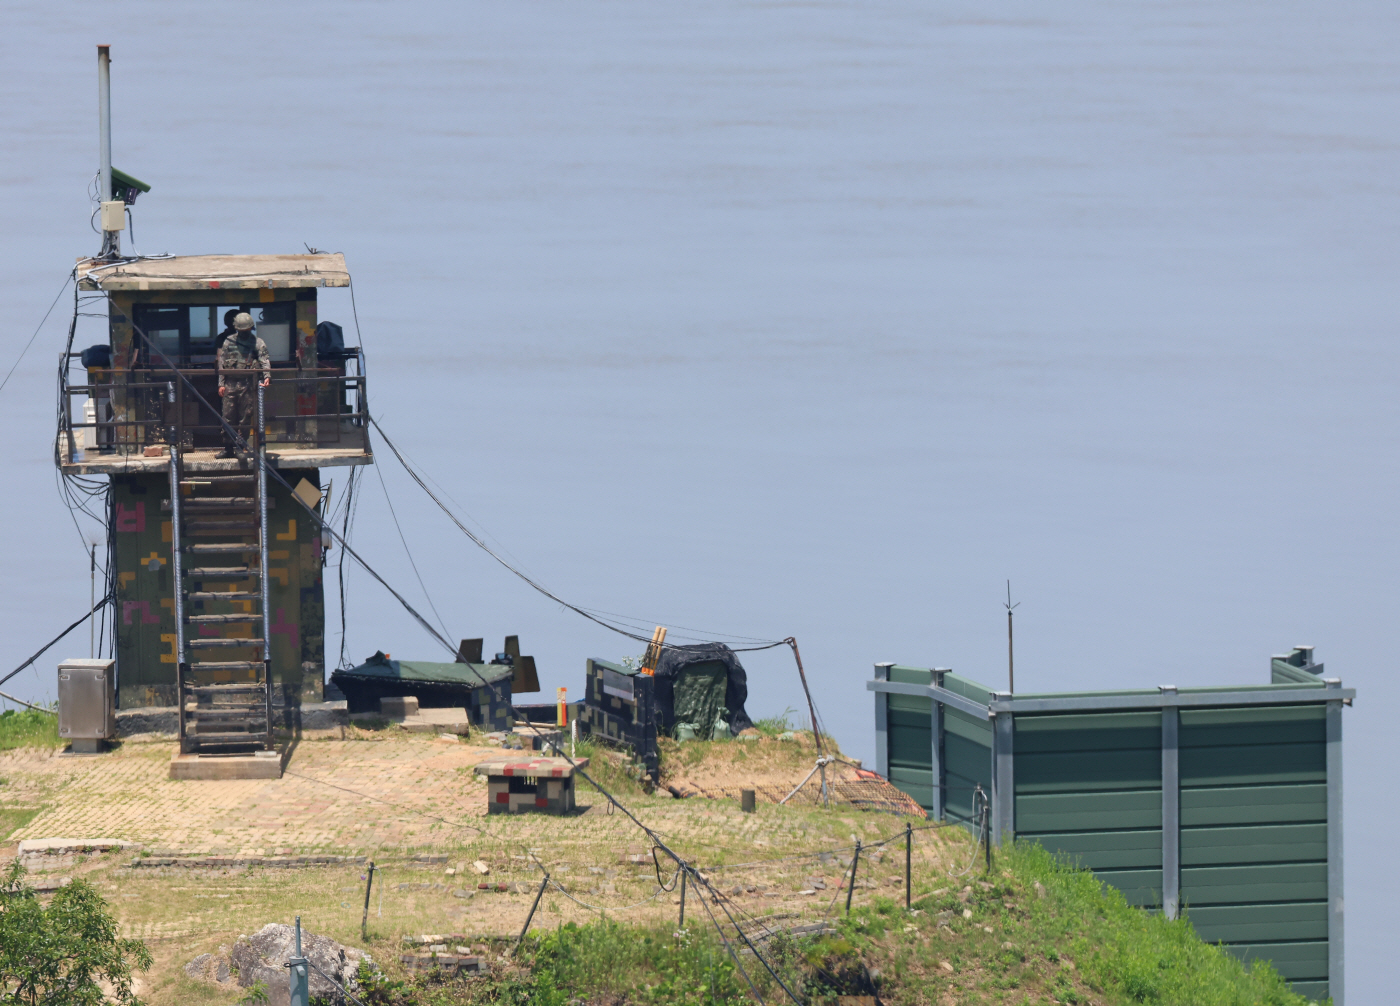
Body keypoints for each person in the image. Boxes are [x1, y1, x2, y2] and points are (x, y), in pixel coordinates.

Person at [216, 312, 271, 458]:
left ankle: (240, 448)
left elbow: (264, 359)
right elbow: (222, 363)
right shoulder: (228, 341)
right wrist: (221, 384)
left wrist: (267, 376)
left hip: (247, 384)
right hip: (230, 384)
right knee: (228, 417)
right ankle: (228, 448)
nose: (244, 333)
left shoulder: (257, 342)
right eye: (242, 331)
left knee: (245, 418)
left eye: (246, 331)